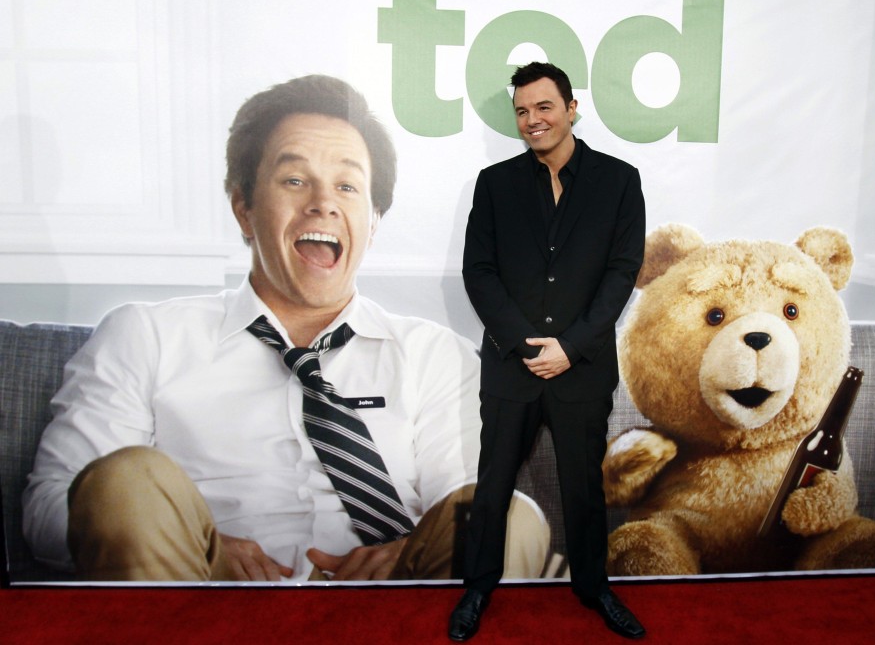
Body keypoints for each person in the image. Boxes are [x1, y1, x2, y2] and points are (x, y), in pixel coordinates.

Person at [22, 75, 548, 583]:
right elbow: (48, 511)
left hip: (394, 606)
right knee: (126, 481)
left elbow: (466, 506)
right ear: (243, 209)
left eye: (347, 185)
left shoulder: (435, 356)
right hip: (203, 600)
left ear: (374, 220)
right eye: (295, 180)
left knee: (506, 516)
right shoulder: (145, 336)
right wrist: (198, 542)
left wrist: (403, 554)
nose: (323, 202)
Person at [449, 62, 646, 640]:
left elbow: (621, 273)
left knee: (584, 486)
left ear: (571, 108)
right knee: (492, 484)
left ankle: (594, 587)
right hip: (512, 366)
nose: (532, 120)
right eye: (522, 111)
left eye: (543, 108)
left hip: (581, 366)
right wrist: (522, 341)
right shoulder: (495, 184)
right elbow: (478, 272)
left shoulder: (618, 180)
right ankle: (477, 588)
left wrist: (571, 345)